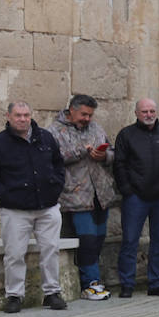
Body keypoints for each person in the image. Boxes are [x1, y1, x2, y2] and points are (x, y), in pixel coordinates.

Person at [0, 102, 68, 313]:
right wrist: (6, 194)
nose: (22, 119)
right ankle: (14, 296)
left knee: (50, 249)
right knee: (15, 253)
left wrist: (56, 186)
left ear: (31, 115)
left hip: (48, 206)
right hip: (15, 209)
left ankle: (52, 293)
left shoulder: (46, 138)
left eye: (26, 115)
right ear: (9, 117)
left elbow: (58, 164)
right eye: (18, 115)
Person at [49, 94, 117, 302]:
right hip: (75, 194)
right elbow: (53, 158)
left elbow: (112, 150)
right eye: (83, 114)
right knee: (86, 240)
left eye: (90, 115)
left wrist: (104, 156)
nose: (87, 118)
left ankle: (93, 280)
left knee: (98, 239)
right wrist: (81, 151)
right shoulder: (54, 131)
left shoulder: (96, 129)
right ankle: (90, 283)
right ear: (71, 111)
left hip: (100, 193)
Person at [113, 98, 159, 297]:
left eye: (152, 111)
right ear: (136, 113)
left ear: (156, 112)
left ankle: (156, 283)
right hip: (135, 197)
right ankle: (127, 284)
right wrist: (126, 189)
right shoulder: (126, 135)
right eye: (144, 111)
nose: (149, 115)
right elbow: (119, 164)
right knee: (130, 241)